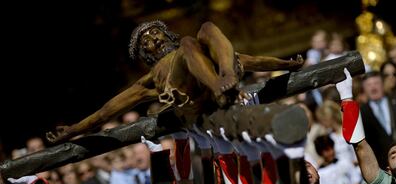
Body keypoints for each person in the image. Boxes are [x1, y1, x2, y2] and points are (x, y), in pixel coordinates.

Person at [46, 20, 304, 144]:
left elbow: (250, 60)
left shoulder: (201, 50)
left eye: (155, 33)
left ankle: (226, 78)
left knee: (206, 28)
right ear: (145, 53)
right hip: (187, 93)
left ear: (165, 33)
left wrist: (285, 64)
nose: (153, 38)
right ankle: (220, 87)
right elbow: (106, 112)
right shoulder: (148, 79)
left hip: (220, 77)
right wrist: (74, 130)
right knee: (189, 42)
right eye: (146, 40)